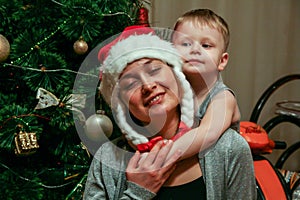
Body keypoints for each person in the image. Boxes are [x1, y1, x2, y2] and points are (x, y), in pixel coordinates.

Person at [83, 26, 256, 199]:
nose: (148, 86)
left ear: (176, 75)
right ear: (122, 105)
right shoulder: (108, 158)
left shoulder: (228, 148)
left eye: (154, 70)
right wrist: (137, 192)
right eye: (130, 84)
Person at [164, 8, 242, 162]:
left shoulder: (222, 97)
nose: (195, 50)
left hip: (217, 176)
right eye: (186, 43)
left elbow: (209, 133)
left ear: (222, 61)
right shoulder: (173, 92)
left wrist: (161, 158)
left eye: (206, 45)